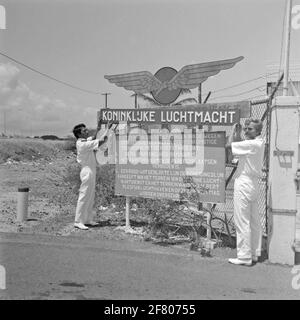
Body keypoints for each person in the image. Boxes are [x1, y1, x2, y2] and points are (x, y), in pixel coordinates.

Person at [226, 118, 265, 266]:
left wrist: (232, 132)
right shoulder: (258, 143)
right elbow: (240, 143)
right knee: (254, 221)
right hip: (253, 184)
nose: (247, 131)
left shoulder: (251, 144)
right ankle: (254, 253)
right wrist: (239, 132)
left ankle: (244, 257)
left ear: (258, 131)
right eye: (246, 128)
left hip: (244, 183)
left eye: (251, 129)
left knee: (242, 221)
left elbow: (229, 145)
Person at [72, 121, 112, 230]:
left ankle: (87, 219)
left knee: (90, 196)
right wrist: (108, 129)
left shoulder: (85, 140)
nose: (87, 131)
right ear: (79, 134)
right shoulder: (82, 144)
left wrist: (100, 127)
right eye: (84, 130)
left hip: (91, 170)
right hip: (86, 171)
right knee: (84, 196)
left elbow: (94, 137)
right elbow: (101, 141)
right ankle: (78, 221)